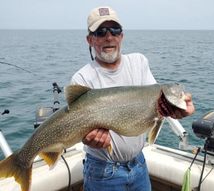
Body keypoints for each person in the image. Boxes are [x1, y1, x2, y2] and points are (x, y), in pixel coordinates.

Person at [70, 6, 195, 191]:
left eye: (115, 30)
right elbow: (78, 130)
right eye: (101, 31)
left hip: (139, 166)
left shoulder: (139, 62)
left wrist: (176, 110)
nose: (109, 36)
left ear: (122, 35)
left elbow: (155, 101)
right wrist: (86, 138)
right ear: (90, 39)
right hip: (102, 172)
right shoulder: (82, 79)